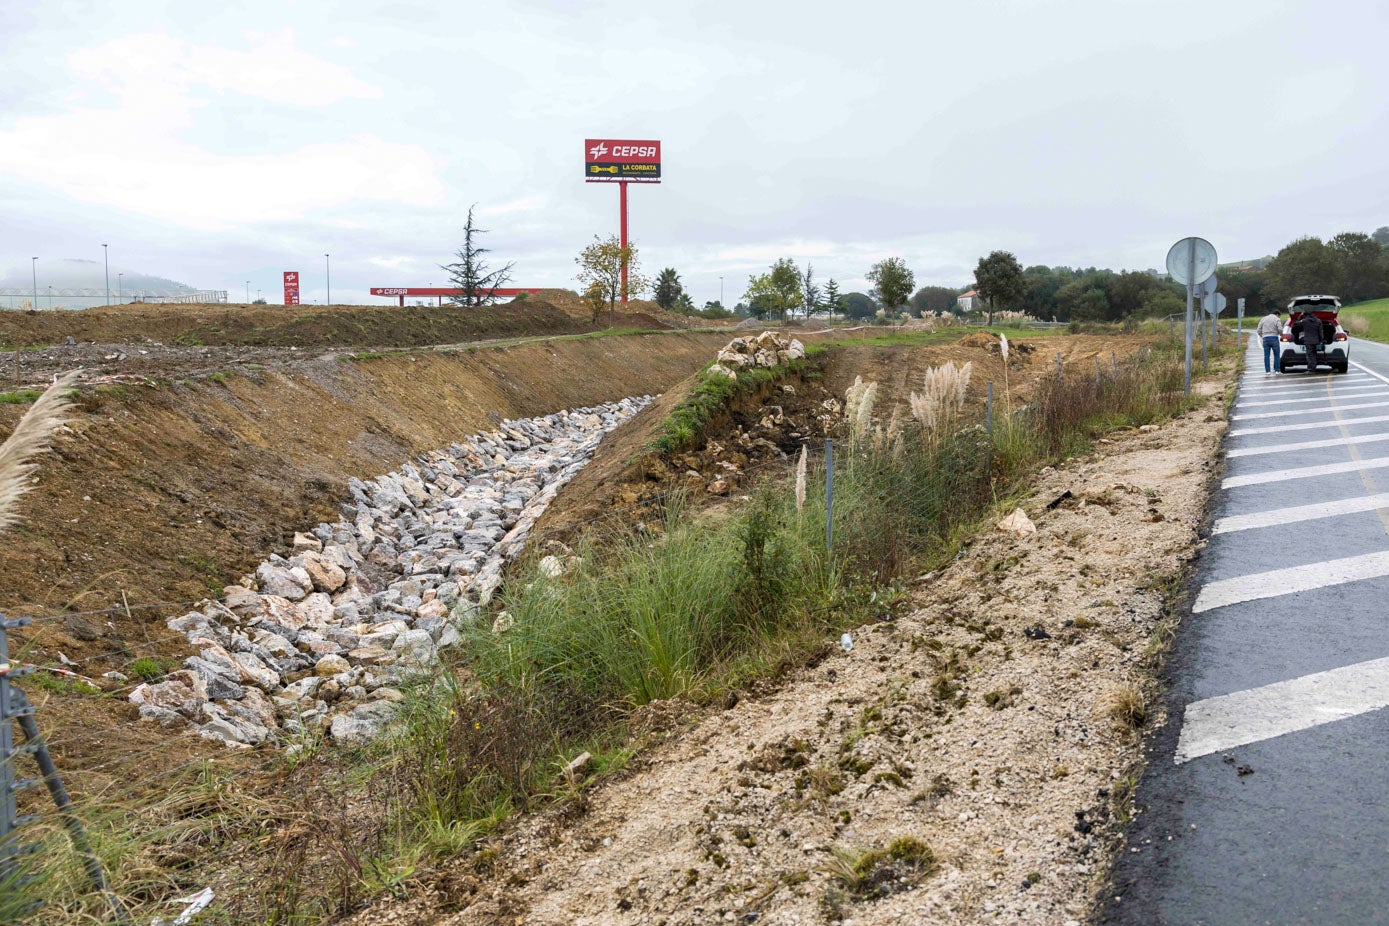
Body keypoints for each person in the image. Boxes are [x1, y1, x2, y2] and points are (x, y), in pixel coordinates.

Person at [1257, 309, 1283, 374]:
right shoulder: (1277, 319)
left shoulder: (1263, 319)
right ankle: (1277, 370)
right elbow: (1280, 328)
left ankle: (1267, 371)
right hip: (1274, 337)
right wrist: (1281, 334)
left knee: (1266, 356)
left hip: (1265, 338)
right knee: (1276, 355)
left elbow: (1258, 330)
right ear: (1277, 314)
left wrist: (1262, 335)